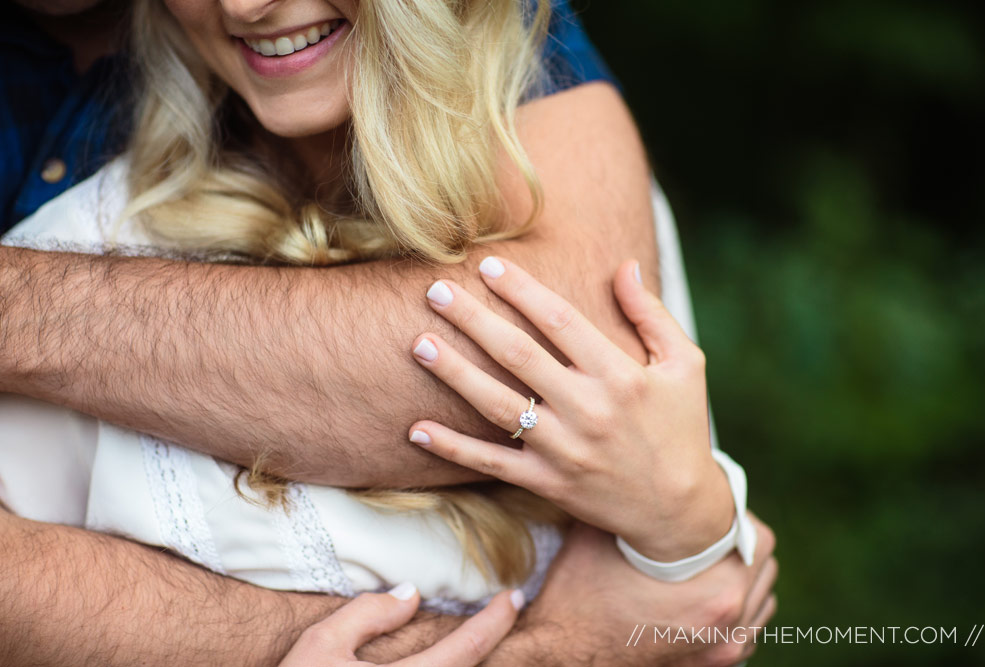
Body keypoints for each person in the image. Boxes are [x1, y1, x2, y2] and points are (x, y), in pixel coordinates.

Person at [0, 1, 778, 664]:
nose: (243, 5)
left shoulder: (567, 185)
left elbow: (700, 615)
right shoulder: (88, 247)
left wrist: (694, 531)